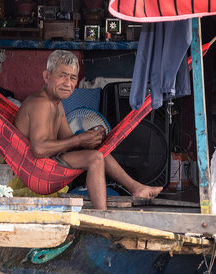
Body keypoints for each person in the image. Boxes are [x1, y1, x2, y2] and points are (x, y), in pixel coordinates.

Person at [14, 50, 163, 210]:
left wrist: (90, 136)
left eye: (72, 78)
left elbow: (69, 139)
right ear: (46, 76)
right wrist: (79, 140)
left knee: (98, 150)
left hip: (47, 164)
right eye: (62, 75)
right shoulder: (40, 103)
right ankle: (102, 214)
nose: (68, 83)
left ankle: (136, 188)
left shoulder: (56, 103)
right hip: (34, 171)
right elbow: (39, 149)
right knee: (94, 158)